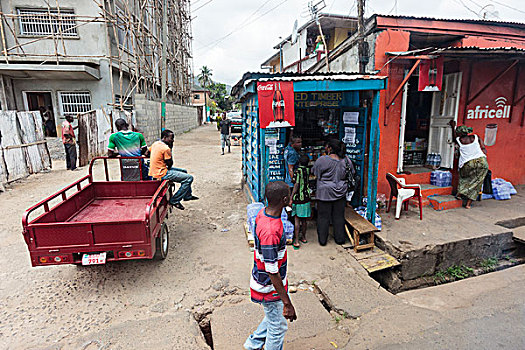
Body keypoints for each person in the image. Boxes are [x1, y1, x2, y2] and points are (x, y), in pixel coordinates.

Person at [244, 181, 297, 350]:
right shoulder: (271, 231)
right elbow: (272, 270)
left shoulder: (263, 214)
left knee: (272, 316)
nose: (291, 197)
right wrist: (287, 303)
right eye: (289, 194)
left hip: (267, 282)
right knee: (278, 326)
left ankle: (252, 345)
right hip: (269, 286)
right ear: (284, 199)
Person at [148, 129, 198, 210]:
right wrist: (170, 148)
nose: (173, 140)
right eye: (171, 138)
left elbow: (147, 153)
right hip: (161, 173)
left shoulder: (156, 143)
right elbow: (170, 164)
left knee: (184, 172)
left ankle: (187, 196)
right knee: (189, 178)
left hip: (155, 170)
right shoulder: (166, 148)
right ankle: (175, 200)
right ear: (165, 137)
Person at [312, 139, 347, 246]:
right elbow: (351, 173)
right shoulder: (346, 160)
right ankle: (340, 239)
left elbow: (315, 173)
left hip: (324, 193)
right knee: (339, 216)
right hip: (341, 192)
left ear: (330, 148)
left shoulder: (322, 160)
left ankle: (323, 240)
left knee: (323, 217)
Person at [449, 120, 488, 209]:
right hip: (482, 161)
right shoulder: (476, 137)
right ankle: (468, 204)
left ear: (459, 134)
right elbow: (483, 148)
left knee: (464, 178)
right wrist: (484, 156)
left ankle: (459, 193)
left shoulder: (459, 140)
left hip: (468, 163)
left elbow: (454, 136)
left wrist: (452, 127)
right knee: (477, 183)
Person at [291, 153, 311, 249]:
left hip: (299, 197)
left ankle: (297, 241)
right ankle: (303, 237)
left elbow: (296, 184)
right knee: (304, 220)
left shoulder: (298, 171)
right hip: (306, 197)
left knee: (297, 219)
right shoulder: (307, 170)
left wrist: (291, 197)